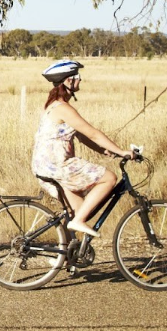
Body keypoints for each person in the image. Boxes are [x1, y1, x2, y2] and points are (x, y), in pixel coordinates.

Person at [31, 60, 133, 237]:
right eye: (78, 77)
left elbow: (80, 135)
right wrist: (121, 151)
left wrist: (104, 150)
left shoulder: (52, 105)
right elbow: (92, 133)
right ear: (68, 81)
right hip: (58, 165)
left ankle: (66, 260)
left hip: (45, 166)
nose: (80, 81)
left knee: (76, 211)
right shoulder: (63, 108)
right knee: (109, 178)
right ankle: (78, 222)